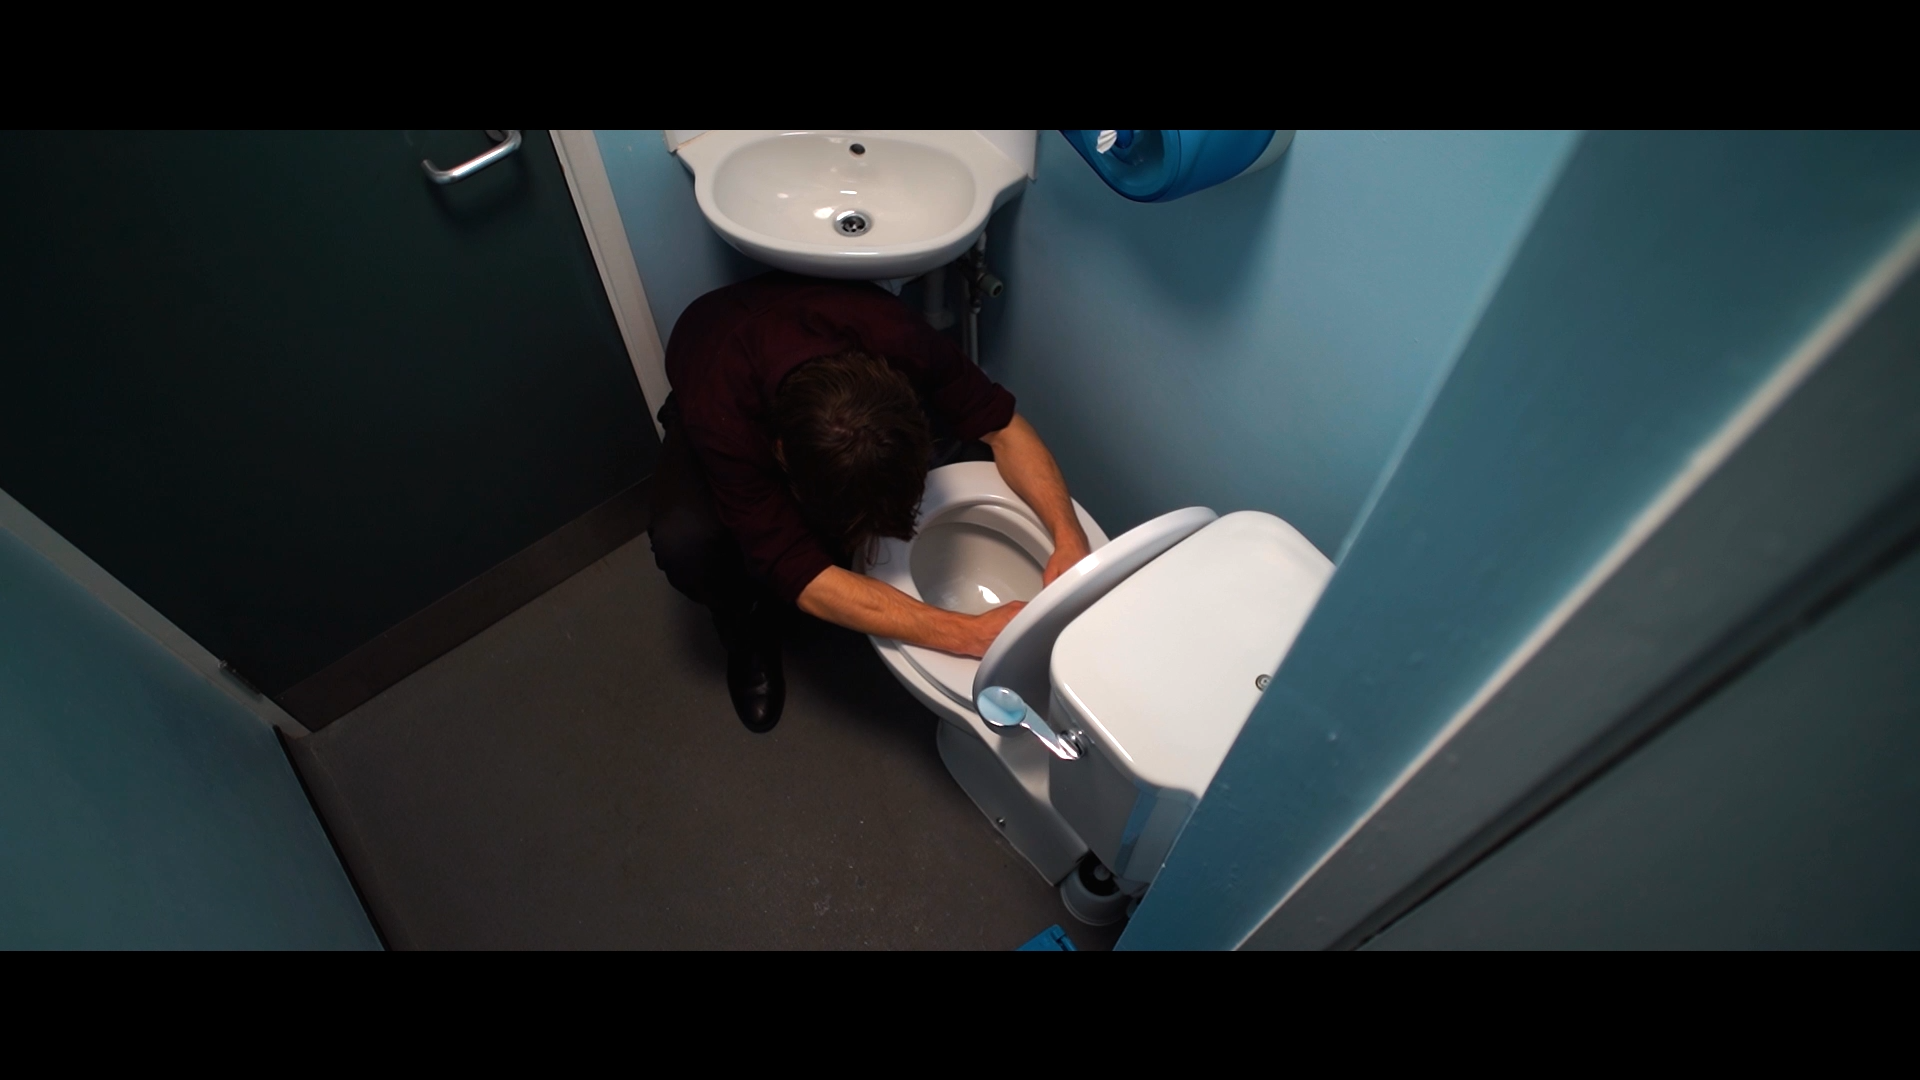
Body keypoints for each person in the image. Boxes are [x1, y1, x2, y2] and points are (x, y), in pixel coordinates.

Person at [649, 271, 1092, 732]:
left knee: (974, 458)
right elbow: (799, 572)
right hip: (713, 371)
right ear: (780, 453)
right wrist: (964, 632)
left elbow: (1002, 427)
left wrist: (1068, 536)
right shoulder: (723, 414)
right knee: (685, 542)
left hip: (823, 342)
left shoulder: (896, 334)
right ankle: (744, 632)